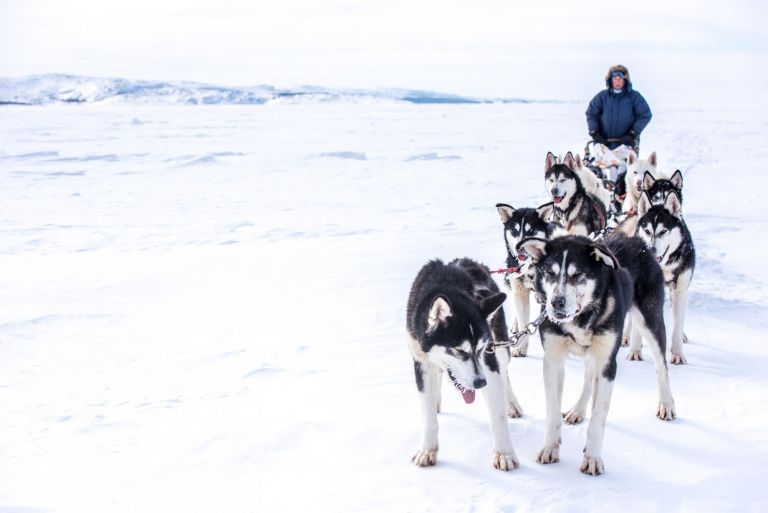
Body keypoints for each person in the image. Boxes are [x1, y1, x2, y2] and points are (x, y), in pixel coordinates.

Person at [585, 64, 652, 179]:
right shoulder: (602, 97)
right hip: (604, 142)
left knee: (624, 172)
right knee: (603, 170)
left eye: (620, 79)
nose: (617, 82)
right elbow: (591, 113)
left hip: (626, 143)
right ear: (610, 80)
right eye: (615, 79)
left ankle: (620, 187)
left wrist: (633, 133)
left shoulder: (634, 97)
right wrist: (595, 132)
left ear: (625, 80)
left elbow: (645, 114)